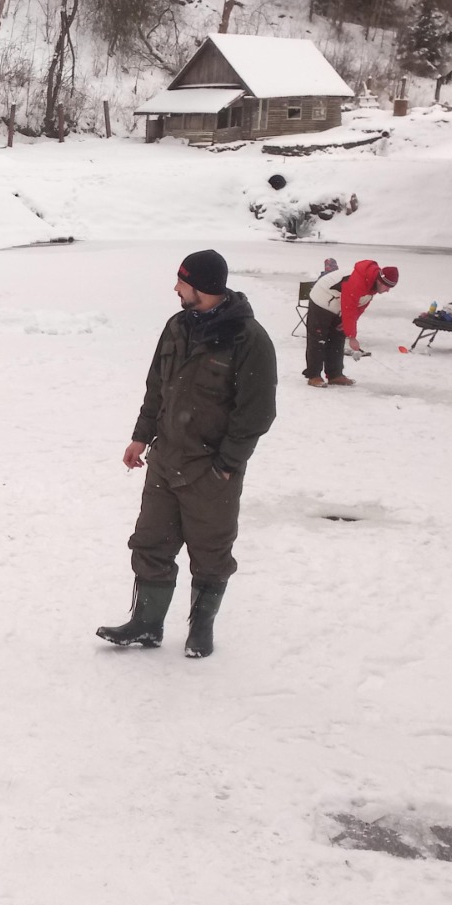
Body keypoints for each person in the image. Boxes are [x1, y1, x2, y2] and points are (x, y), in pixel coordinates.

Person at [96, 249, 278, 659]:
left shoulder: (248, 339)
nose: (176, 288)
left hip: (210, 471)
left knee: (211, 554)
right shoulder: (177, 326)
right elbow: (156, 388)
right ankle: (146, 624)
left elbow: (256, 413)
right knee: (151, 544)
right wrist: (141, 437)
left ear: (203, 287)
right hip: (164, 460)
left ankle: (201, 629)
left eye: (182, 281)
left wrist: (226, 465)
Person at [303, 259, 398, 387]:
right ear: (380, 281)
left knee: (337, 338)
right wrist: (352, 336)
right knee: (318, 339)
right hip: (322, 298)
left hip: (338, 302)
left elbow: (361, 305)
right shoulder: (358, 281)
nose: (388, 290)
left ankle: (335, 375)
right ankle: (314, 375)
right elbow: (349, 307)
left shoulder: (373, 283)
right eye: (388, 287)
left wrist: (349, 323)